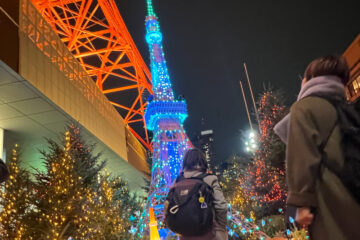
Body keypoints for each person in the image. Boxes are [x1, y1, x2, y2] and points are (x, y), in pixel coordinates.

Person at [274, 55, 360, 239]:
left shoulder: (304, 108)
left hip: (333, 201)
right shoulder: (347, 109)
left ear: (308, 80)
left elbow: (302, 160)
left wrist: (299, 204)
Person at [164, 148, 228, 240]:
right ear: (203, 163)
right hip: (209, 234)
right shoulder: (210, 179)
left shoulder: (178, 181)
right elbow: (221, 206)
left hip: (184, 235)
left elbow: (167, 206)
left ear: (185, 163)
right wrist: (221, 228)